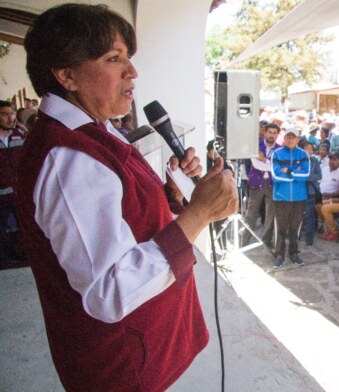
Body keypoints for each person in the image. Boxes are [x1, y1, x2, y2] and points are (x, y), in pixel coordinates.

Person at [16, 5, 238, 391]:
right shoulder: (68, 157)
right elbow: (108, 290)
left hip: (145, 346)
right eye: (113, 59)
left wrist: (174, 192)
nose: (132, 72)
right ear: (67, 75)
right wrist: (199, 214)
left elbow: (124, 214)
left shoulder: (95, 130)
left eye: (129, 59)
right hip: (122, 367)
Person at [271, 128, 310, 268]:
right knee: (281, 228)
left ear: (298, 139)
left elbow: (306, 175)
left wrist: (288, 171)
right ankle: (279, 254)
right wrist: (295, 175)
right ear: (284, 138)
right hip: (281, 197)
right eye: (288, 136)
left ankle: (293, 253)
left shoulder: (304, 154)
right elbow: (275, 177)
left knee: (294, 228)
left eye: (293, 137)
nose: (290, 139)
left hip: (299, 198)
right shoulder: (277, 154)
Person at [244, 123, 281, 248]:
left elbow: (279, 168)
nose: (271, 135)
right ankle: (244, 241)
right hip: (256, 183)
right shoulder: (256, 145)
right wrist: (272, 165)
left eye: (274, 133)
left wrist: (264, 160)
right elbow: (256, 165)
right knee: (251, 214)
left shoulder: (280, 150)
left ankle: (266, 241)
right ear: (265, 132)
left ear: (277, 135)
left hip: (272, 184)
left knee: (270, 215)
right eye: (269, 132)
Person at [0, 100, 26, 268]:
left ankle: (24, 260)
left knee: (25, 229)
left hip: (18, 193)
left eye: (12, 113)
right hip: (1, 195)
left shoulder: (19, 135)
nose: (10, 118)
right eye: (5, 114)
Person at [303, 141, 322, 246]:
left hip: (311, 191)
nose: (309, 150)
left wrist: (305, 177)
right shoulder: (298, 160)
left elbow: (319, 176)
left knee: (309, 215)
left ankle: (309, 237)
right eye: (306, 148)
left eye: (310, 148)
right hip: (299, 190)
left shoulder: (315, 161)